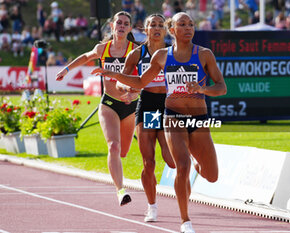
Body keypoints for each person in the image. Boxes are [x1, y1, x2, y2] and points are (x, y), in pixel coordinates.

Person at [91, 12, 227, 233]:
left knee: (200, 171)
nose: (188, 28)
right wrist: (112, 75)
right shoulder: (155, 56)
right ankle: (178, 218)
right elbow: (138, 81)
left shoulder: (204, 54)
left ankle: (195, 163)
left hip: (195, 117)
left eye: (191, 24)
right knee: (161, 162)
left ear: (165, 30)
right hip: (162, 111)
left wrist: (201, 88)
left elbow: (222, 87)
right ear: (172, 30)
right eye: (183, 24)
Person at [56, 11, 139, 207]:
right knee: (114, 146)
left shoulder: (135, 51)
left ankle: (118, 174)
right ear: (112, 26)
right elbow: (86, 56)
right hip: (109, 103)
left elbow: (143, 79)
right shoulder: (103, 49)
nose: (121, 25)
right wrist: (66, 69)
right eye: (118, 22)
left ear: (130, 28)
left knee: (124, 151)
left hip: (130, 105)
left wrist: (134, 94)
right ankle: (121, 191)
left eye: (125, 23)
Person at [122, 13, 175, 223]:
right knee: (149, 161)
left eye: (160, 25)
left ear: (165, 30)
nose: (156, 28)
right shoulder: (137, 54)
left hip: (168, 106)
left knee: (170, 160)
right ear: (146, 29)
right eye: (152, 24)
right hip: (149, 106)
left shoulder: (174, 52)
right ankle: (152, 206)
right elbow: (123, 80)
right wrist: (127, 88)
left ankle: (188, 156)